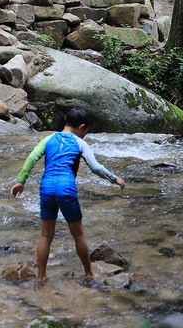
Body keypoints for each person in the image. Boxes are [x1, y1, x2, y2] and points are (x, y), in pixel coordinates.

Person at [10, 107, 125, 283]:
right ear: (81, 126)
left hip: (46, 187)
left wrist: (20, 181)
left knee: (46, 235)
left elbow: (32, 158)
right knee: (78, 234)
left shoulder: (48, 139)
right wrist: (114, 179)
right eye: (86, 131)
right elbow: (95, 167)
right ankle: (89, 272)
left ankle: (41, 277)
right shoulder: (80, 143)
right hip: (66, 189)